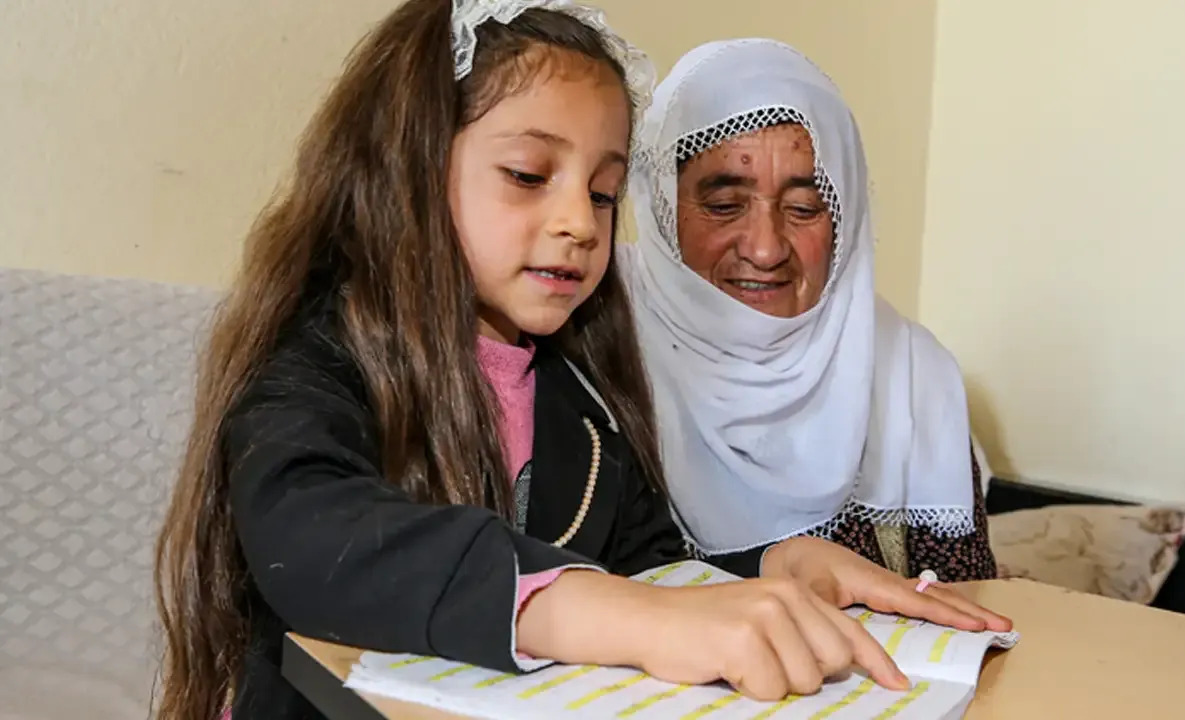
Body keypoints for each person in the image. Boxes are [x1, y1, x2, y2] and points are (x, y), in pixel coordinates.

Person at [153, 5, 1011, 719]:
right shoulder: (321, 360)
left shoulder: (578, 392)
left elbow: (646, 564)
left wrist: (774, 567)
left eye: (602, 193)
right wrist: (602, 610)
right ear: (407, 173)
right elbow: (314, 538)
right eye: (529, 175)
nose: (579, 222)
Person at [623, 39, 999, 583]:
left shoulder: (911, 373)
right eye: (724, 206)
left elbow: (967, 597)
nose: (765, 249)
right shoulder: (598, 348)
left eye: (803, 208)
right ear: (660, 209)